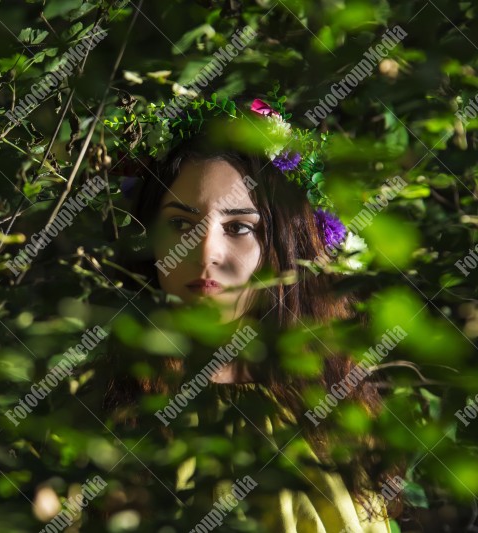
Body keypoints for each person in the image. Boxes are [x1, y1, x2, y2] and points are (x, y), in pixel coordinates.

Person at [95, 94, 400, 532]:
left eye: (239, 227)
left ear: (281, 245)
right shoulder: (101, 402)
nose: (205, 253)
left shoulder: (329, 408)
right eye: (180, 224)